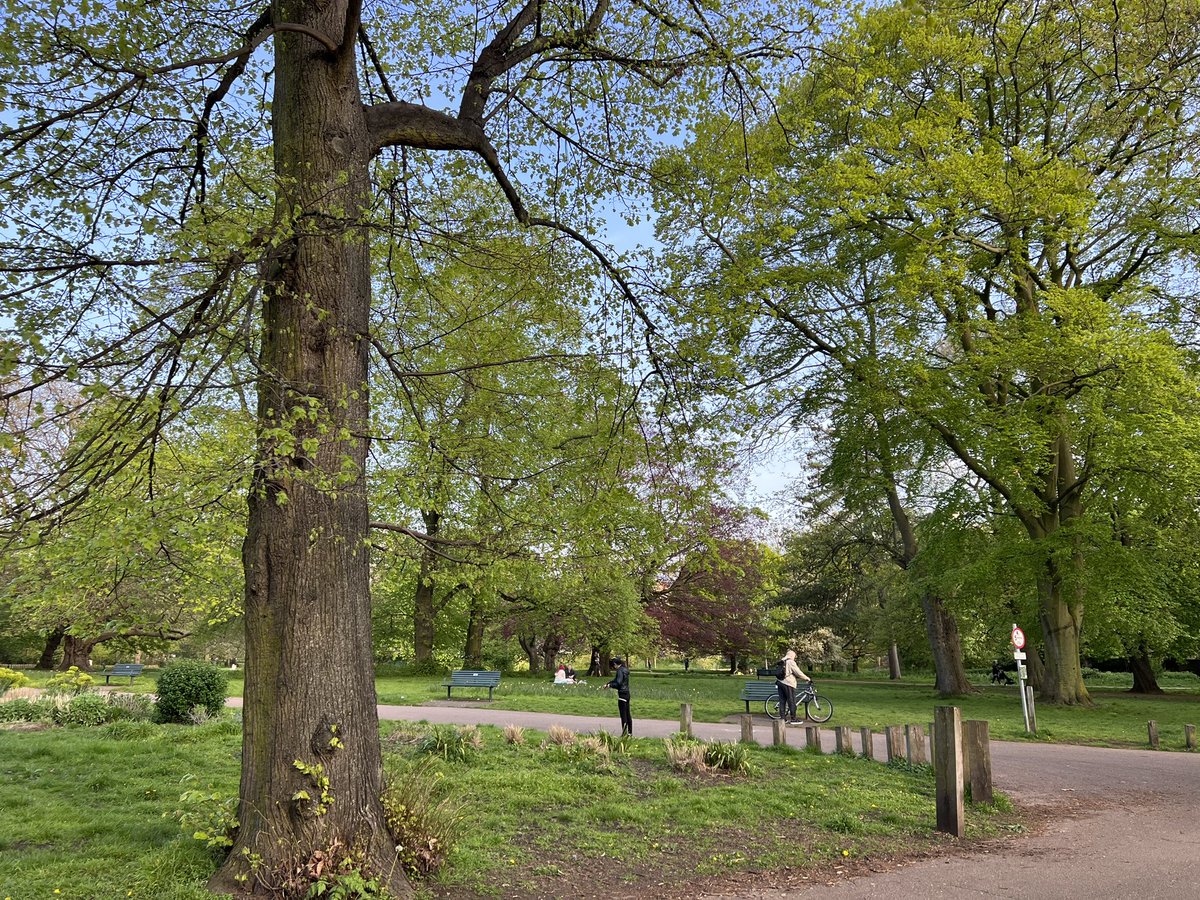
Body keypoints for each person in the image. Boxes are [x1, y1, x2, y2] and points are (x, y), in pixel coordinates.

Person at [776, 649, 811, 725]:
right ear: (792, 656)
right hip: (788, 683)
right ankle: (793, 719)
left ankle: (783, 719)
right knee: (791, 701)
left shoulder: (782, 661)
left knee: (782, 701)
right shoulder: (790, 662)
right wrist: (807, 678)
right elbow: (798, 672)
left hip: (780, 682)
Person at [602, 656, 633, 735]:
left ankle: (624, 733)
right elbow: (616, 680)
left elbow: (618, 682)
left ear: (615, 664)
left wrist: (610, 685)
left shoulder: (619, 671)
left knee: (623, 715)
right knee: (628, 714)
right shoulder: (625, 669)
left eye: (613, 665)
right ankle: (630, 733)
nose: (613, 667)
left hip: (622, 694)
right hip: (627, 693)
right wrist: (609, 683)